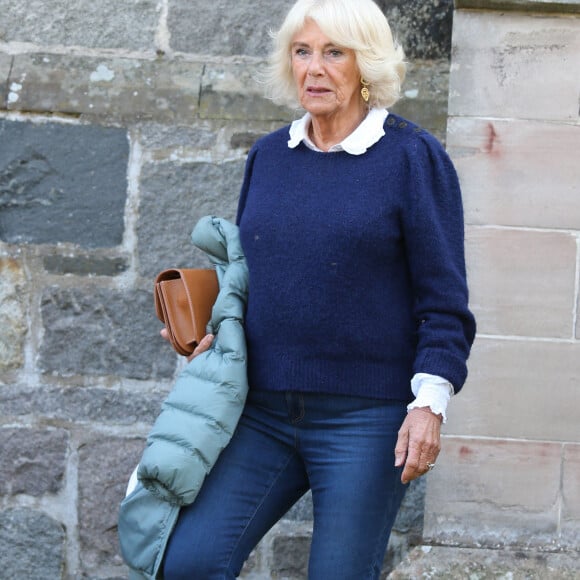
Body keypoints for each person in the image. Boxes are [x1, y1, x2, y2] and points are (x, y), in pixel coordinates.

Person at [161, 0, 476, 577]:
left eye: (334, 53)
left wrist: (428, 407)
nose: (314, 68)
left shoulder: (412, 158)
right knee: (187, 563)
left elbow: (444, 304)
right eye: (303, 52)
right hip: (262, 412)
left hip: (366, 417)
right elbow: (253, 278)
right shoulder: (269, 158)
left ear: (367, 64)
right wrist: (210, 327)